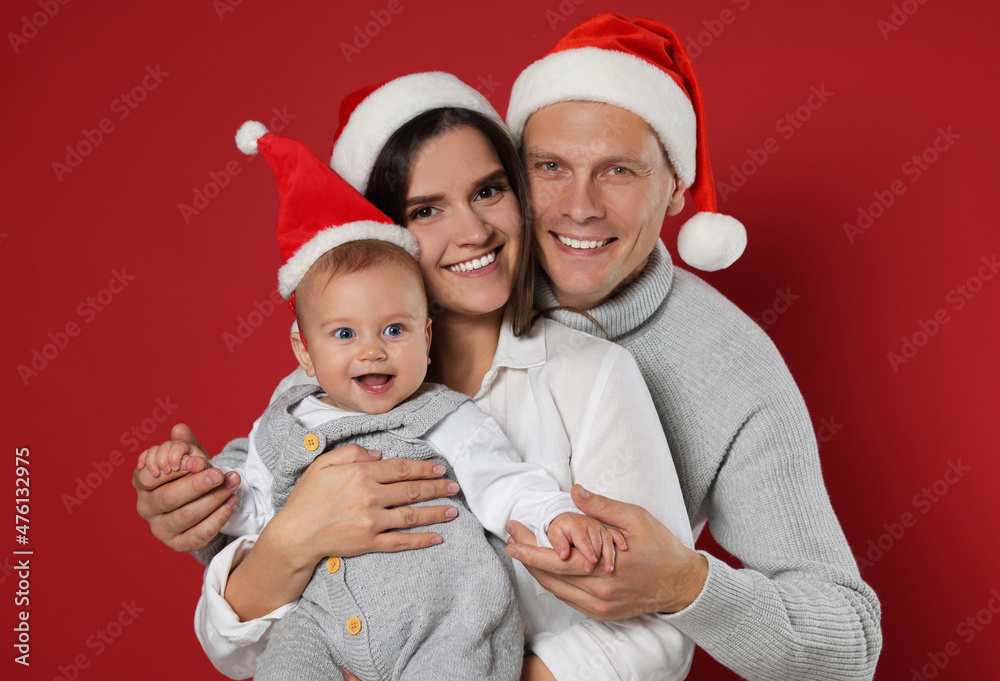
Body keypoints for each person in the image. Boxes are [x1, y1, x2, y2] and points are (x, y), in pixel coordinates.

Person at [137, 72, 695, 681]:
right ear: (380, 235)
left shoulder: (590, 375)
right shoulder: (310, 399)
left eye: (489, 191)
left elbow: (660, 629)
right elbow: (235, 649)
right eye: (425, 209)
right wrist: (230, 506)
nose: (474, 232)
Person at [495, 11, 883, 681]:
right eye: (550, 166)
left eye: (617, 170)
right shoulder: (438, 293)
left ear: (675, 187)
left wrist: (687, 585)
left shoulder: (731, 363)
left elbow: (848, 645)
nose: (579, 206)